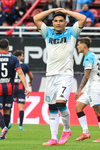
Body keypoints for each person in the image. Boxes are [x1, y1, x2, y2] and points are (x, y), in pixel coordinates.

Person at [33, 8, 86, 145]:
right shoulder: (48, 33)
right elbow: (36, 19)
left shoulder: (72, 33)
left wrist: (67, 11)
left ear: (65, 22)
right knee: (52, 107)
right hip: (50, 75)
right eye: (55, 21)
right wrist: (53, 10)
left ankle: (67, 129)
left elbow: (82, 19)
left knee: (61, 103)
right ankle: (53, 137)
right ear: (52, 22)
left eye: (61, 21)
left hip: (65, 75)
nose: (58, 23)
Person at [0, 38, 29, 139]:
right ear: (8, 48)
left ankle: (3, 128)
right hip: (10, 88)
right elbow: (20, 73)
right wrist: (26, 87)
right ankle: (4, 132)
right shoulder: (14, 59)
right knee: (7, 111)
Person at [75, 37, 100, 142]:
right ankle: (85, 132)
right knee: (78, 107)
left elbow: (87, 75)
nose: (77, 46)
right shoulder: (92, 55)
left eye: (79, 44)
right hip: (91, 87)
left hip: (94, 87)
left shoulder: (88, 57)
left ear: (84, 46)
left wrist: (79, 90)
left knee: (98, 110)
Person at [13, 50, 33, 130]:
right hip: (21, 87)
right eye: (22, 56)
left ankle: (8, 122)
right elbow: (31, 76)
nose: (23, 57)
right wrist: (31, 81)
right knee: (21, 107)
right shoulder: (24, 66)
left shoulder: (11, 64)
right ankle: (20, 125)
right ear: (19, 57)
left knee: (8, 105)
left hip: (12, 87)